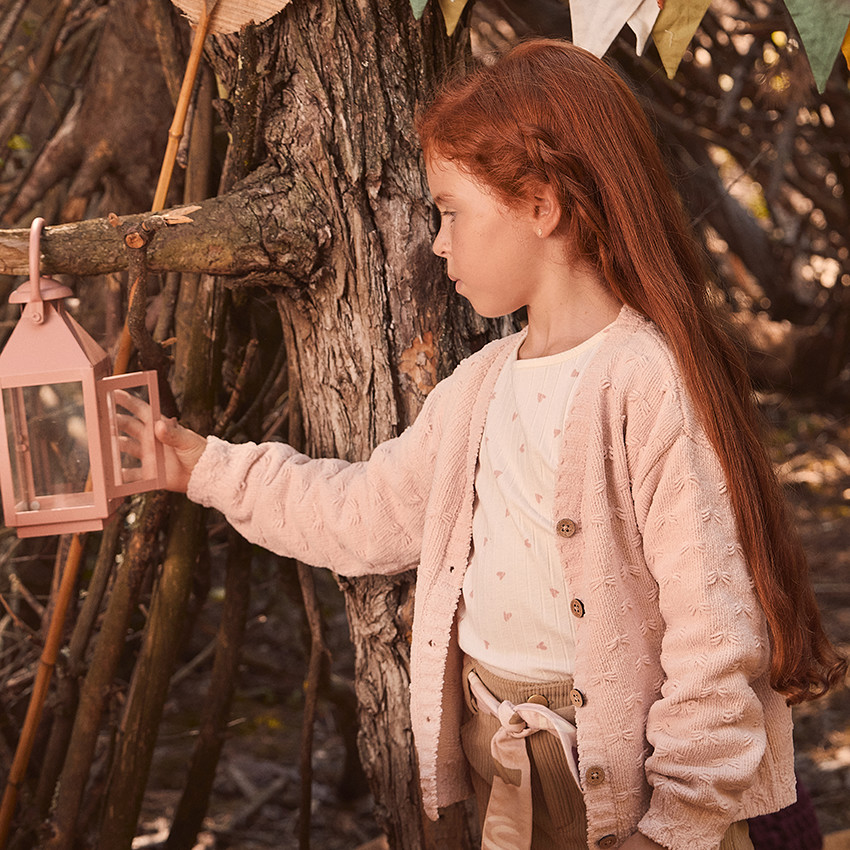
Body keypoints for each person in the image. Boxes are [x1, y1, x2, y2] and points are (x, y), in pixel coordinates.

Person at [118, 38, 846, 850]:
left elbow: (714, 633)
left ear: (540, 205)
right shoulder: (480, 389)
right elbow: (365, 512)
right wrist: (206, 467)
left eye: (451, 211)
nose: (438, 241)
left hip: (629, 792)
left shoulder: (647, 382)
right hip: (505, 767)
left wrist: (674, 826)